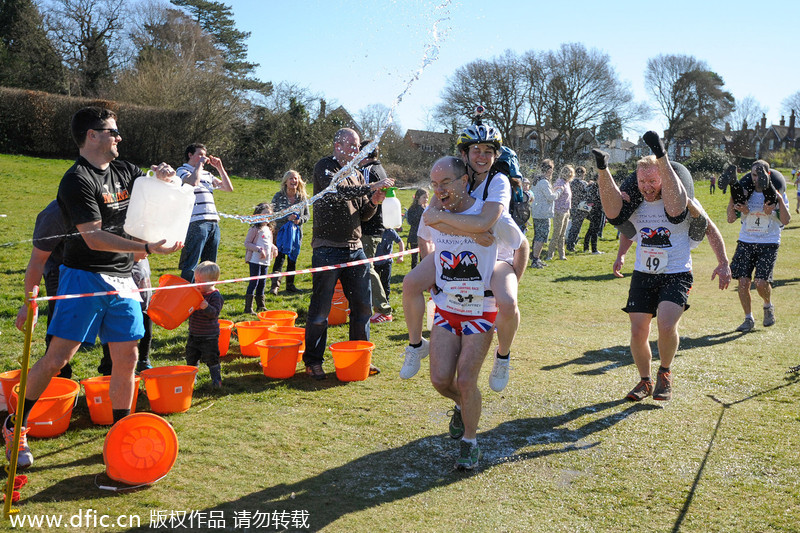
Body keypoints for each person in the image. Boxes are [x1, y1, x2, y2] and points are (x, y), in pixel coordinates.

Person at [5, 106, 182, 469]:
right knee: (58, 358)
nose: (119, 137)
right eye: (112, 132)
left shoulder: (127, 171)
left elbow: (154, 193)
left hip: (122, 280)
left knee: (128, 358)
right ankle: (13, 424)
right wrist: (147, 249)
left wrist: (165, 178)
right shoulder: (77, 180)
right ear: (92, 135)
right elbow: (94, 237)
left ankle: (120, 431)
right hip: (82, 277)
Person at [593, 132, 731, 402]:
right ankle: (644, 381)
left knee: (666, 326)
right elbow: (628, 230)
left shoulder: (683, 201)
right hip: (644, 273)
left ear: (663, 177)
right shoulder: (636, 202)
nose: (646, 186)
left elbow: (710, 230)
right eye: (642, 181)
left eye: (653, 181)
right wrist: (621, 255)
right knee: (638, 330)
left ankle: (664, 373)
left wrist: (724, 262)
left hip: (676, 273)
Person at [400, 123, 529, 393]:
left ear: (496, 156)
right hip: (458, 251)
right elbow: (430, 222)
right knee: (411, 283)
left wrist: (514, 276)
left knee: (507, 301)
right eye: (476, 150)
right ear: (464, 154)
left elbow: (484, 221)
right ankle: (415, 345)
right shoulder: (451, 177)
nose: (482, 156)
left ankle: (503, 356)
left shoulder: (498, 181)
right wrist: (436, 262)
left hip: (497, 254)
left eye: (488, 151)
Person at [416, 156, 525, 469]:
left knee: (466, 378)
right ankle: (463, 407)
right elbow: (424, 237)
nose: (439, 190)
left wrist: (513, 280)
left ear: (464, 181)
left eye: (446, 183)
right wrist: (432, 271)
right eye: (435, 185)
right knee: (439, 380)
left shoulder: (489, 211)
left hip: (481, 309)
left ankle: (470, 442)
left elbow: (522, 244)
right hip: (447, 307)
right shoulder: (434, 211)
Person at [302, 128, 393, 380]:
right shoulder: (326, 167)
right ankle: (313, 361)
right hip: (327, 249)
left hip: (355, 249)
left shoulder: (356, 174)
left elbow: (364, 214)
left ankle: (358, 358)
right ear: (337, 144)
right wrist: (373, 185)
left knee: (363, 307)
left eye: (357, 147)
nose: (356, 151)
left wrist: (374, 200)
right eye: (351, 146)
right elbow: (339, 190)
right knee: (321, 311)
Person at [727, 160, 791, 332]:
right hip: (746, 240)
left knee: (761, 282)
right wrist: (740, 208)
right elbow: (730, 219)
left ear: (768, 174)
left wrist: (777, 203)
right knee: (743, 282)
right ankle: (748, 319)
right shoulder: (744, 192)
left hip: (768, 242)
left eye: (760, 174)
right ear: (750, 175)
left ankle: (768, 305)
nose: (757, 178)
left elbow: (786, 220)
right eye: (754, 175)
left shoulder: (776, 193)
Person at [177, 143, 234, 282]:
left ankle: (205, 296)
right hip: (196, 222)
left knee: (209, 265)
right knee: (192, 265)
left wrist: (220, 167)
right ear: (190, 155)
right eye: (200, 154)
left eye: (205, 155)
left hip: (213, 222)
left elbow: (228, 188)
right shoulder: (182, 170)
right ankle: (186, 294)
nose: (204, 157)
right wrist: (199, 166)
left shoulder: (208, 174)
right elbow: (193, 182)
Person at [358, 141, 395, 324]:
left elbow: (360, 195)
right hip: (377, 225)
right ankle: (362, 304)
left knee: (366, 267)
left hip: (368, 225)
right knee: (362, 267)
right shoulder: (380, 170)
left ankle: (383, 309)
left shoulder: (367, 171)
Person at [97, 257, 154, 375]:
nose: (147, 252)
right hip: (129, 310)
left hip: (146, 307)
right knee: (120, 342)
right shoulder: (123, 263)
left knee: (147, 335)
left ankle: (143, 360)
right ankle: (110, 369)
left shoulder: (143, 259)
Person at [269, 170, 309, 295]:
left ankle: (290, 285)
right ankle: (274, 286)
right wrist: (286, 218)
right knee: (279, 259)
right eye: (291, 178)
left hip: (296, 234)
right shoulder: (278, 196)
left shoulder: (302, 197)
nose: (294, 181)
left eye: (296, 178)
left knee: (292, 259)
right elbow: (272, 214)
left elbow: (307, 216)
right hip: (281, 233)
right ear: (285, 181)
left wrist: (299, 220)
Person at [186, 261, 224, 387]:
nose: (197, 284)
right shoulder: (196, 293)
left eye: (200, 281)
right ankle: (191, 380)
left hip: (209, 336)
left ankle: (216, 380)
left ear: (212, 281)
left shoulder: (215, 296)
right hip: (194, 333)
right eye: (196, 280)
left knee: (211, 358)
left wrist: (206, 307)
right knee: (191, 358)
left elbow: (214, 313)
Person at [244, 203, 278, 314]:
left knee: (262, 282)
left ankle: (261, 305)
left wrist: (274, 248)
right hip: (255, 260)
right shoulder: (255, 229)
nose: (267, 216)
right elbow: (247, 243)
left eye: (269, 214)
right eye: (265, 214)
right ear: (258, 215)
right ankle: (248, 308)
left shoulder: (268, 229)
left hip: (265, 261)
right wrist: (258, 249)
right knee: (254, 282)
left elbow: (268, 243)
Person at [529, 159, 558, 268]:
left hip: (537, 212)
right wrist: (559, 191)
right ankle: (535, 260)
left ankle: (536, 258)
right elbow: (550, 197)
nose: (552, 172)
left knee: (538, 237)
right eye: (552, 169)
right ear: (549, 169)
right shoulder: (544, 181)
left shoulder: (537, 180)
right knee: (541, 238)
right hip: (543, 213)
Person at [545, 165, 573, 261]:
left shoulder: (567, 183)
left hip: (566, 211)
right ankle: (550, 254)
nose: (569, 174)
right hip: (559, 211)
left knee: (563, 234)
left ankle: (562, 255)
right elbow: (554, 195)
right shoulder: (560, 182)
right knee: (557, 234)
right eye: (568, 172)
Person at [373, 226, 405, 296]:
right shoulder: (373, 230)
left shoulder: (390, 231)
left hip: (386, 262)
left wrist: (401, 256)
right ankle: (375, 301)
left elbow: (400, 243)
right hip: (374, 262)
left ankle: (386, 301)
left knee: (385, 283)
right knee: (374, 283)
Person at [565, 166, 589, 252]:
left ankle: (566, 240)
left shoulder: (570, 182)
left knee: (569, 225)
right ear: (583, 174)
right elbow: (587, 195)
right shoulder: (584, 184)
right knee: (576, 227)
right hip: (580, 208)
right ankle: (571, 245)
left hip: (571, 206)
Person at [406, 188, 428, 269]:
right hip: (414, 235)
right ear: (418, 197)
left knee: (423, 257)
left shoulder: (426, 209)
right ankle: (414, 272)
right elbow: (411, 221)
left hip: (424, 235)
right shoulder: (413, 209)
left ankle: (422, 272)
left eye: (427, 197)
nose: (426, 199)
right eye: (424, 197)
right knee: (414, 258)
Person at [582, 176, 604, 254]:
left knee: (591, 229)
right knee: (595, 230)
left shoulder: (593, 186)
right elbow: (598, 198)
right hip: (597, 210)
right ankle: (594, 250)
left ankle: (586, 247)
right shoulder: (596, 187)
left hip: (593, 210)